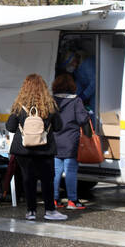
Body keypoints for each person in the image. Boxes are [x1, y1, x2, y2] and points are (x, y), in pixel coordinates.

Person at [6, 74, 66, 221]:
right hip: (45, 149)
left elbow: (11, 127)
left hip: (23, 150)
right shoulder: (49, 105)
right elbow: (58, 127)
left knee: (28, 179)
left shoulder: (19, 106)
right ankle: (50, 210)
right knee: (47, 180)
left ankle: (31, 211)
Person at [52, 74, 90, 210]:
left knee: (56, 172)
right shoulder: (76, 101)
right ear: (72, 86)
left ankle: (54, 200)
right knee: (71, 171)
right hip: (70, 142)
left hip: (55, 140)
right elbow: (82, 120)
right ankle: (72, 201)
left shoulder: (52, 100)